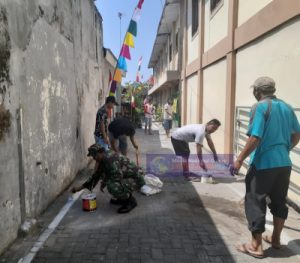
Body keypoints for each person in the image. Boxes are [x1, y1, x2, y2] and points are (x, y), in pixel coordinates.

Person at [232, 77, 300, 259]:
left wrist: (239, 159)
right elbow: (296, 135)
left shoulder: (261, 107)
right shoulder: (287, 107)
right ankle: (276, 239)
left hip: (263, 164)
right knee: (279, 201)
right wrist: (283, 150)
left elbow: (255, 138)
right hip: (284, 164)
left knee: (255, 201)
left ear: (257, 91)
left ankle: (256, 245)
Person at [72, 144, 146, 213]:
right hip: (127, 176)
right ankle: (122, 198)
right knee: (108, 180)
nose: (94, 158)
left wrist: (104, 182)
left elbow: (117, 176)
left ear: (99, 153)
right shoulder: (104, 157)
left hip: (136, 179)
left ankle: (130, 201)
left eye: (94, 156)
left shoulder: (110, 160)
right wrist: (78, 189)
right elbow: (95, 176)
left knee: (112, 186)